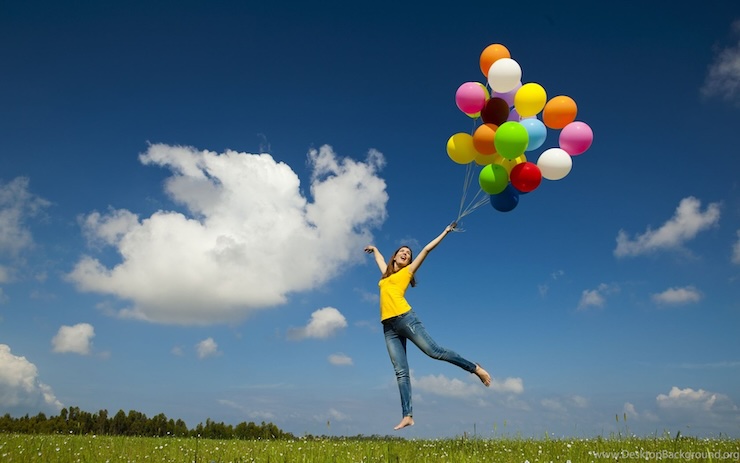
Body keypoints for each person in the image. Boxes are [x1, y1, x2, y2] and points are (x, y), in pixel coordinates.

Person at [364, 222, 491, 430]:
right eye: (402, 252)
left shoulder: (407, 272)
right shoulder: (386, 277)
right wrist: (375, 250)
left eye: (408, 253)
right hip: (388, 328)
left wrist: (445, 232)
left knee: (434, 351)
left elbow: (426, 249)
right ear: (394, 256)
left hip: (405, 319)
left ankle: (475, 368)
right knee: (401, 372)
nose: (406, 254)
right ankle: (408, 415)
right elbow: (379, 260)